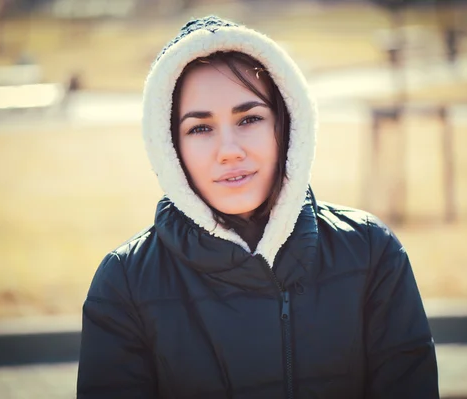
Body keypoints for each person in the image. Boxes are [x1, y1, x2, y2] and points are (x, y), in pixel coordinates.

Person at [77, 16, 439, 398]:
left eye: (249, 118)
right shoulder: (126, 284)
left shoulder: (370, 251)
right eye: (200, 128)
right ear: (170, 147)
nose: (230, 151)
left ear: (285, 125)